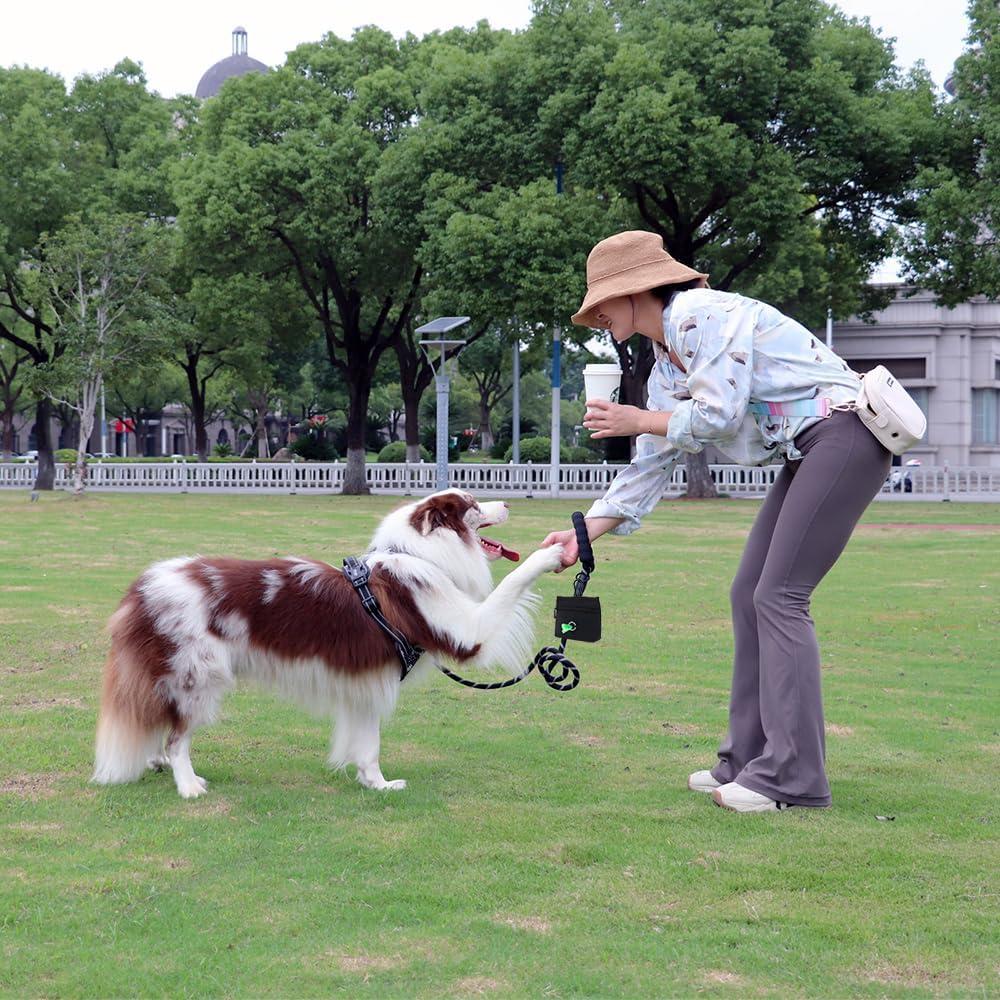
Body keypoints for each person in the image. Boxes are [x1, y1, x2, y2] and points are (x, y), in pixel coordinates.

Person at [541, 230, 890, 813]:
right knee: (748, 593)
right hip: (812, 449)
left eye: (603, 301)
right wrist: (584, 533)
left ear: (637, 291)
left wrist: (638, 419)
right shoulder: (665, 361)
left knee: (780, 597)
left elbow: (718, 416)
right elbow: (653, 464)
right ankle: (747, 761)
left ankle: (793, 778)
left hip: (845, 434)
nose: (596, 314)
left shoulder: (702, 315)